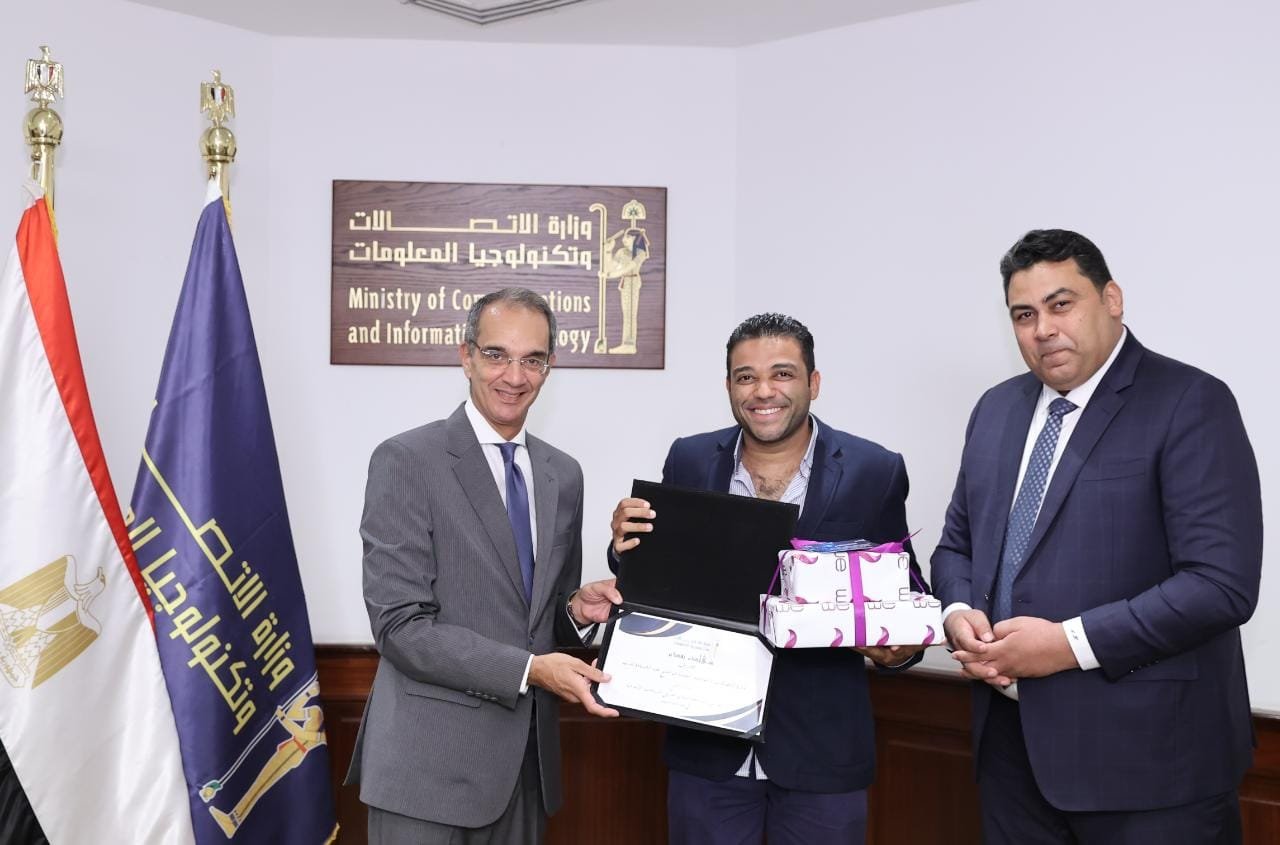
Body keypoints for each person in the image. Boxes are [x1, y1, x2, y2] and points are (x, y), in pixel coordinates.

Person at [932, 229, 1262, 843]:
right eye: (1024, 315)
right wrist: (957, 613)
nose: (1043, 329)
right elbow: (957, 546)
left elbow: (1220, 585)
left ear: (1111, 299)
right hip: (1010, 753)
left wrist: (1067, 644)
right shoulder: (995, 409)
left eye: (1061, 305)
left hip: (1151, 764)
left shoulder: (1190, 401)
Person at [610, 313, 925, 845]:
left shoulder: (875, 469)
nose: (763, 391)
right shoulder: (689, 459)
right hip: (707, 750)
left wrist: (899, 650)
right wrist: (622, 542)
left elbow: (905, 589)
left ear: (813, 383)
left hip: (823, 755)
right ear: (729, 386)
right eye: (745, 377)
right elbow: (656, 570)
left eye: (782, 374)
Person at [348, 287, 624, 844]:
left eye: (532, 360)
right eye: (497, 355)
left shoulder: (563, 474)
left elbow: (535, 619)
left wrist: (574, 611)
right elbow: (400, 627)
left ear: (550, 366)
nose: (514, 376)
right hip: (425, 774)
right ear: (466, 356)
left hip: (525, 772)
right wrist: (529, 670)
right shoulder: (407, 460)